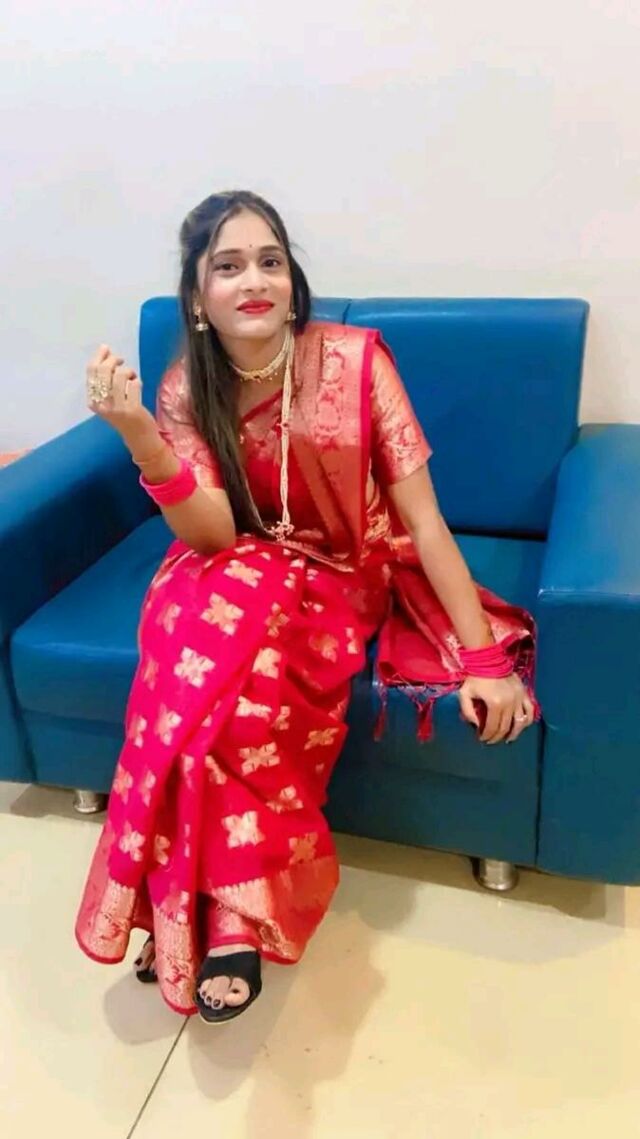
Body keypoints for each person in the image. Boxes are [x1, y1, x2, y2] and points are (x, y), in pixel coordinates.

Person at [76, 190, 538, 1024]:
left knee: (250, 684)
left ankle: (230, 914)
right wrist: (140, 432)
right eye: (228, 266)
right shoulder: (186, 388)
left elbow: (424, 520)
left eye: (270, 261)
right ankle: (196, 906)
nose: (254, 280)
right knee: (188, 674)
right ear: (197, 297)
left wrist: (483, 658)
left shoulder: (358, 364)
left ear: (292, 280)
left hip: (342, 569)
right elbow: (214, 533)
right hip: (225, 563)